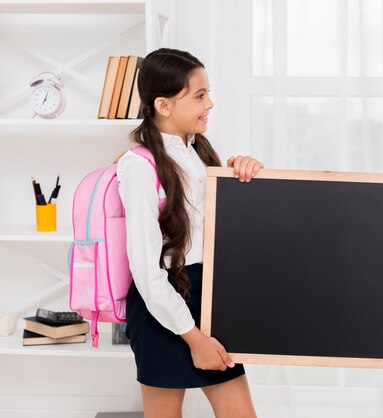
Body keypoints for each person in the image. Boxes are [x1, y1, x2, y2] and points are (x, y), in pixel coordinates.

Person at [116, 48, 262, 418]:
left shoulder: (200, 151)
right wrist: (193, 337)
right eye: (199, 95)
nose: (210, 103)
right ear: (163, 105)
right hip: (161, 304)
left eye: (207, 93)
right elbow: (147, 273)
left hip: (206, 296)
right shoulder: (138, 165)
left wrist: (242, 173)